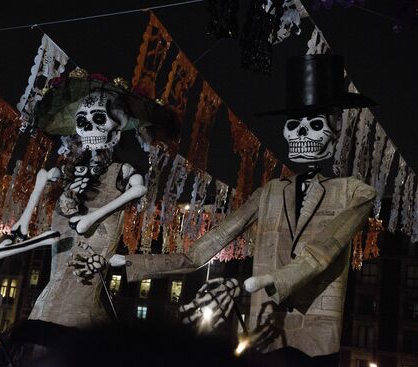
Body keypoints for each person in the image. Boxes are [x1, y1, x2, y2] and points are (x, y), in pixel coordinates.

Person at [104, 54, 378, 367]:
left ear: (335, 129)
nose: (302, 135)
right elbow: (209, 244)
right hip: (267, 329)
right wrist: (135, 262)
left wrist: (274, 279)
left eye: (315, 125)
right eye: (294, 126)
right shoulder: (271, 192)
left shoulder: (354, 192)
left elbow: (325, 248)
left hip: (317, 334)